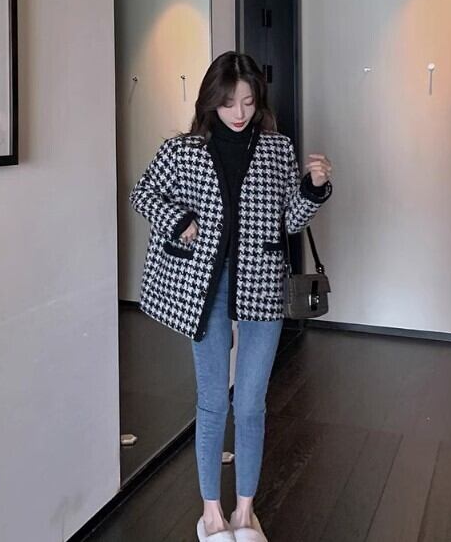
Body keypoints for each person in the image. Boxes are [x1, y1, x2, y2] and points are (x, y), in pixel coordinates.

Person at [129, 51, 333, 542]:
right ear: (210, 102)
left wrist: (314, 187)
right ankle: (211, 515)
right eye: (227, 103)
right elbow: (143, 194)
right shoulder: (182, 150)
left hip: (262, 282)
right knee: (212, 401)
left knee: (252, 402)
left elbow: (289, 220)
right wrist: (180, 219)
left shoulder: (277, 148)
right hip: (204, 288)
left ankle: (244, 513)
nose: (238, 113)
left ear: (258, 100)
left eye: (247, 101)